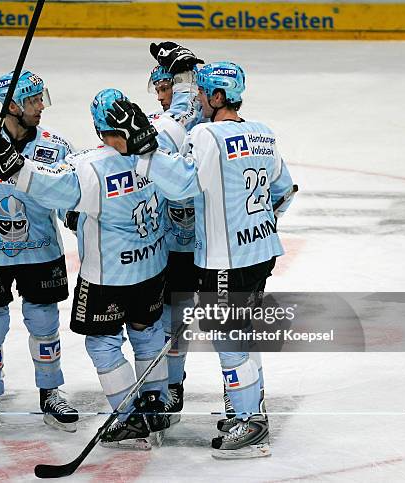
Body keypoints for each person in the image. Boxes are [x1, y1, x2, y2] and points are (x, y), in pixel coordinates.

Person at [107, 60, 295, 458]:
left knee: (229, 340)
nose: (197, 104)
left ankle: (249, 423)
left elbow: (181, 185)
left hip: (228, 258)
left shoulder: (209, 134)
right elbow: (284, 188)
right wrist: (257, 223)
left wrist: (146, 150)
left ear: (217, 97)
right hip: (262, 251)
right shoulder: (263, 132)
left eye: (202, 95)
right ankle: (251, 410)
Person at [0, 88, 173, 449]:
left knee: (103, 343)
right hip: (153, 265)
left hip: (109, 276)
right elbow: (180, 120)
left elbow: (49, 184)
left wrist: (12, 164)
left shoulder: (91, 167)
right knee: (147, 332)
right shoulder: (159, 150)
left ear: (99, 129)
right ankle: (158, 405)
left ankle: (129, 417)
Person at [0, 70, 78, 435]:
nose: (41, 107)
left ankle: (51, 392)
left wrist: (76, 217)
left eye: (42, 98)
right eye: (33, 100)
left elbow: (65, 196)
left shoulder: (56, 146)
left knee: (44, 322)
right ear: (12, 105)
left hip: (39, 248)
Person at [147, 43, 205, 425]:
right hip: (161, 245)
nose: (163, 95)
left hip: (197, 246)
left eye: (171, 87)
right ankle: (167, 383)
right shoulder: (155, 125)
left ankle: (177, 381)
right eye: (160, 88)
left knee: (186, 317)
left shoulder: (205, 128)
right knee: (163, 318)